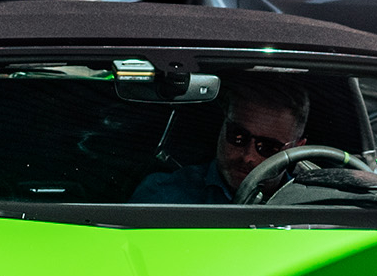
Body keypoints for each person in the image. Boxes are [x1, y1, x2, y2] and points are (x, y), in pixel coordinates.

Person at [131, 75, 312, 202]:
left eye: (268, 147)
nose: (248, 157)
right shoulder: (164, 195)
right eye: (238, 136)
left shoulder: (315, 205)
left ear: (297, 149)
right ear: (222, 125)